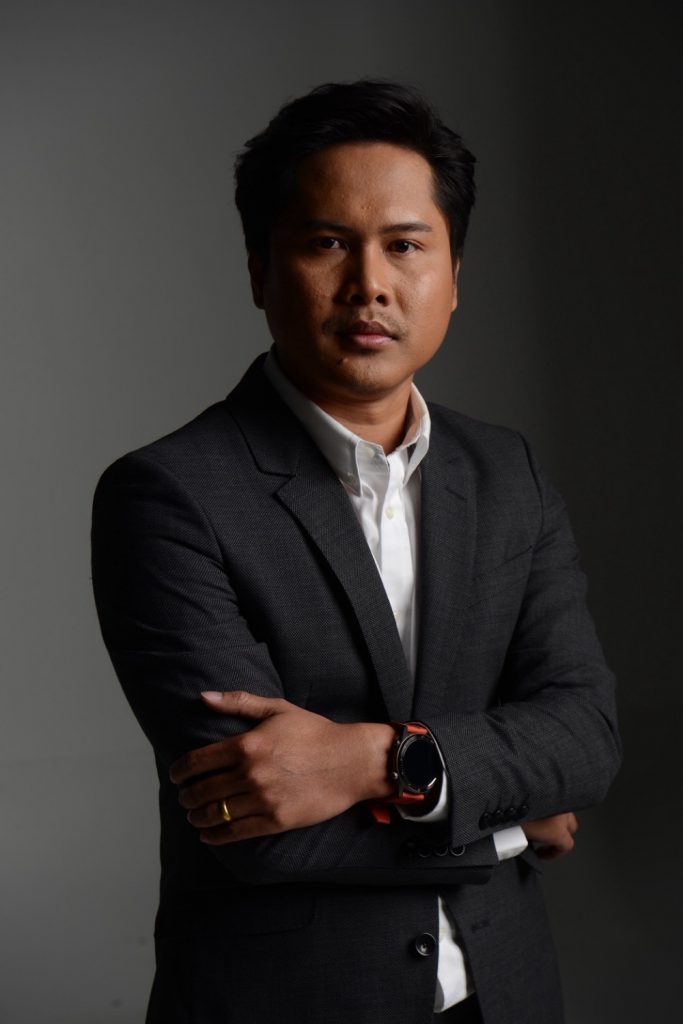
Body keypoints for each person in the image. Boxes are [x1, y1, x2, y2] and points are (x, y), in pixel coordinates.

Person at [91, 80, 620, 1024]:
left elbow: (586, 736)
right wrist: (503, 816)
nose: (369, 283)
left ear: (453, 277)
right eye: (327, 243)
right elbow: (255, 824)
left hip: (504, 994)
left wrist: (378, 761)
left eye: (405, 245)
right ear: (259, 270)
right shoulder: (168, 494)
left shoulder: (506, 472)